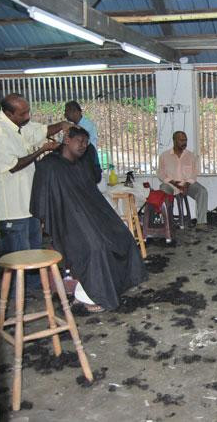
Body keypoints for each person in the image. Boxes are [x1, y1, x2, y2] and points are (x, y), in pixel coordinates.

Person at [30, 126, 147, 312]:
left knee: (122, 236)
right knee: (96, 248)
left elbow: (92, 197)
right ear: (67, 139)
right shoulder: (49, 166)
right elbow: (42, 201)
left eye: (86, 142)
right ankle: (88, 294)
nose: (84, 146)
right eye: (80, 141)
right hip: (67, 224)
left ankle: (116, 285)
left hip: (88, 218)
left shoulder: (80, 165)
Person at [0, 93, 71, 291]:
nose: (27, 116)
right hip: (12, 207)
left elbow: (40, 131)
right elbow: (14, 166)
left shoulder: (19, 125)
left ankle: (32, 288)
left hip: (28, 203)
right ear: (8, 113)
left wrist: (63, 124)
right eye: (23, 113)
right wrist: (42, 150)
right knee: (19, 254)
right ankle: (18, 295)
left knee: (34, 249)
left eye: (28, 111)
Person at [157, 130, 209, 227]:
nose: (184, 143)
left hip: (187, 185)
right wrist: (173, 183)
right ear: (174, 141)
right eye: (181, 140)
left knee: (202, 191)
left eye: (185, 140)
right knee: (163, 189)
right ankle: (167, 222)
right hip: (171, 185)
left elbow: (194, 173)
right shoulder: (164, 156)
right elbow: (160, 173)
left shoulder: (190, 156)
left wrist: (186, 185)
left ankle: (201, 223)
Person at [65, 100, 100, 168]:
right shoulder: (76, 126)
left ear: (75, 112)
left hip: (87, 160)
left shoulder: (86, 126)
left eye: (66, 111)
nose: (65, 114)